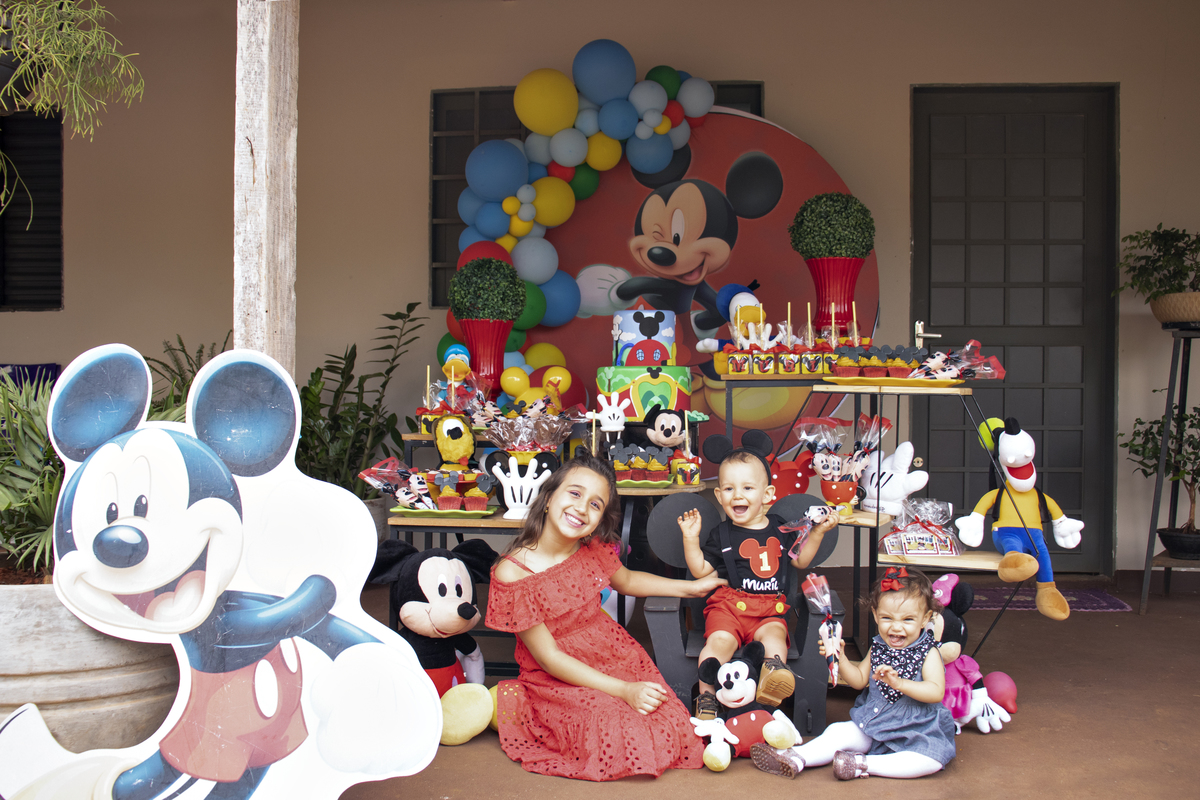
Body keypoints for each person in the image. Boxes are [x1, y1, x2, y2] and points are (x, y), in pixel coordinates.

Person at [486, 450, 727, 781]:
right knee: (612, 724)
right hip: (559, 674)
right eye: (574, 493)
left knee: (670, 720)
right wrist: (624, 690)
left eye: (595, 504)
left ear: (600, 519)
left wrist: (690, 588)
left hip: (613, 653)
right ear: (548, 498)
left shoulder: (590, 548)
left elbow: (626, 580)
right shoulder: (513, 573)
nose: (581, 508)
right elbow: (549, 657)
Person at [750, 566, 956, 780]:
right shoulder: (879, 646)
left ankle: (860, 764)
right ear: (875, 615)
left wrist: (900, 684)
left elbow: (935, 692)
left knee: (930, 759)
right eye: (887, 618)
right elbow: (858, 680)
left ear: (925, 618)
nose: (896, 627)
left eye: (908, 620)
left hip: (916, 731)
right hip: (874, 723)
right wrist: (841, 659)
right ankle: (796, 756)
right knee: (839, 731)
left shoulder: (928, 652)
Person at [678, 447, 838, 719]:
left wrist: (818, 533)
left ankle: (770, 686)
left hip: (769, 611)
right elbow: (700, 569)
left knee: (775, 640)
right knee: (717, 644)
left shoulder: (781, 528)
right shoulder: (722, 534)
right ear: (719, 495)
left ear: (767, 495)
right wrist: (690, 539)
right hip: (729, 607)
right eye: (729, 489)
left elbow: (800, 560)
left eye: (748, 488)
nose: (737, 495)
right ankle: (707, 698)